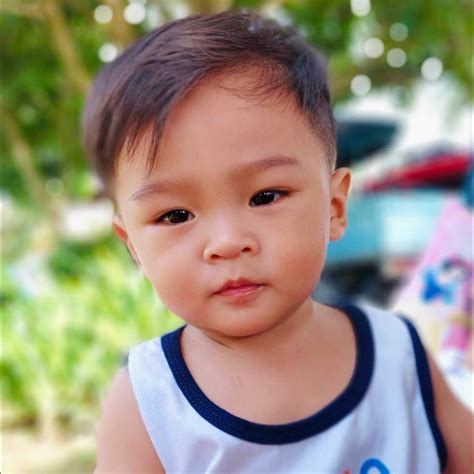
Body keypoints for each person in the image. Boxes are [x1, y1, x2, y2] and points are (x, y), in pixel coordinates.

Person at [83, 10, 472, 474]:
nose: (227, 243)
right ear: (133, 247)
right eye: (175, 216)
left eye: (265, 196)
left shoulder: (399, 355)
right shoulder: (149, 405)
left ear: (334, 208)